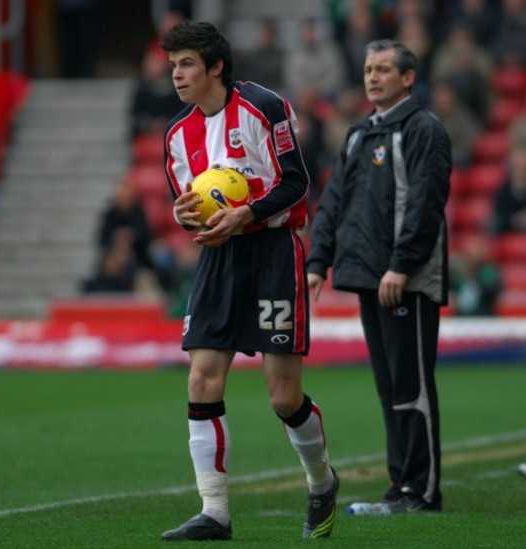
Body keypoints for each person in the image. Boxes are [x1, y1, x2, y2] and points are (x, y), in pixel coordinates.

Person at [159, 21, 338, 541]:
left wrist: (247, 215)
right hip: (219, 258)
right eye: (173, 66)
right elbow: (190, 208)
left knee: (283, 397)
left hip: (273, 253)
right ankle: (214, 512)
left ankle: (322, 481)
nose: (177, 75)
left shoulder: (264, 107)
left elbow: (298, 182)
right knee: (201, 379)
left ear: (216, 67)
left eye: (187, 64)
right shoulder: (176, 134)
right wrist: (183, 217)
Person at [307, 40, 451, 513]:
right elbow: (333, 203)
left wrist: (401, 266)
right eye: (369, 68)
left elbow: (426, 204)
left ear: (407, 78)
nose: (373, 77)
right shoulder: (359, 133)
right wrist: (317, 262)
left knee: (412, 385)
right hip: (370, 275)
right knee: (390, 386)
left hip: (402, 277)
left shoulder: (423, 128)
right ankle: (400, 485)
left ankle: (421, 491)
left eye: (384, 69)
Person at [449, 234, 503, 316]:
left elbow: (492, 295)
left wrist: (475, 275)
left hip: (484, 315)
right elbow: (451, 289)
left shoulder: (491, 271)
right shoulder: (460, 271)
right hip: (461, 317)